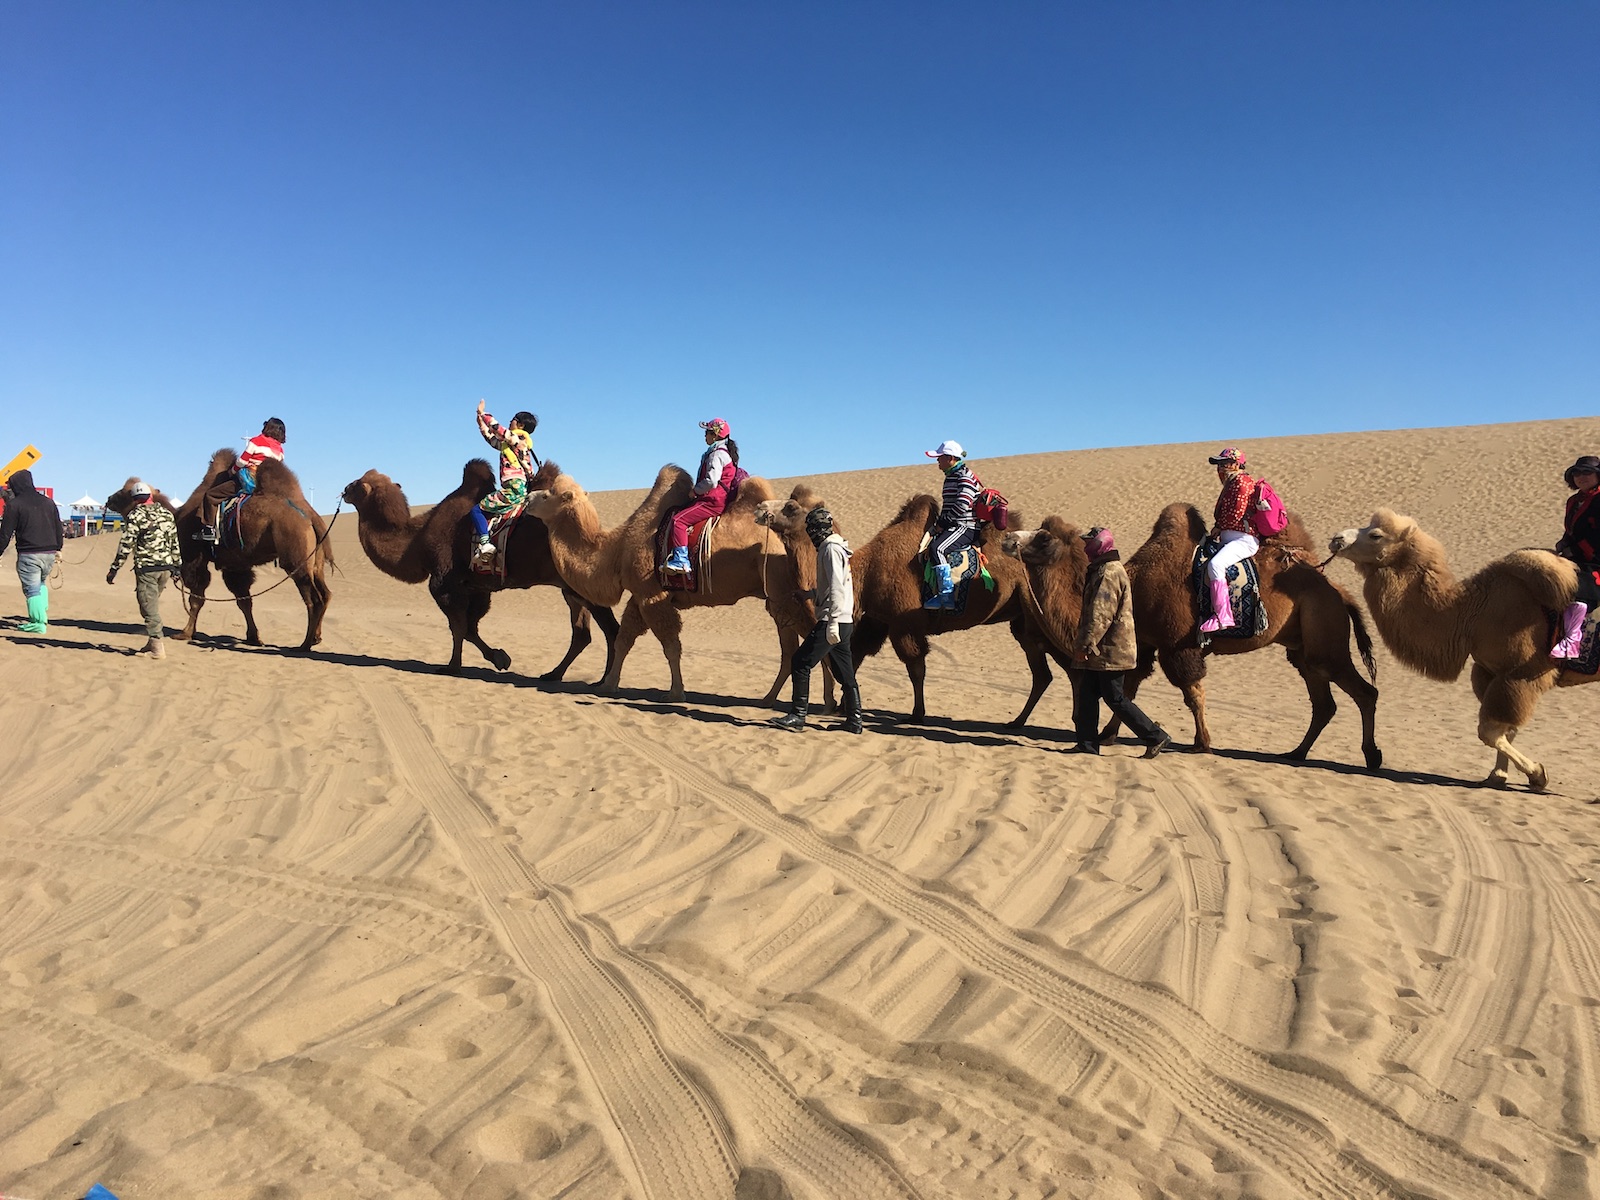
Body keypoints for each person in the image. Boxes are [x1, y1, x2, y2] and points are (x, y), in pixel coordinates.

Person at [1071, 526, 1171, 757]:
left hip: (1110, 650)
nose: (1085, 548)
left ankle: (1155, 736)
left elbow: (1101, 613)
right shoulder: (1100, 569)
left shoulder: (1109, 573)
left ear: (1099, 546)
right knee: (1087, 696)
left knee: (1115, 698)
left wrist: (1086, 645)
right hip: (1102, 650)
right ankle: (1086, 745)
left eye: (1089, 544)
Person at [771, 507, 863, 733]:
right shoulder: (836, 546)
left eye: (811, 529)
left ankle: (798, 714)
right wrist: (810, 595)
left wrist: (830, 623)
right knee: (844, 673)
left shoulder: (830, 549)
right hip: (843, 620)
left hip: (833, 620)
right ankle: (855, 721)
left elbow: (837, 589)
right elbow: (834, 586)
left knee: (801, 662)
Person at [106, 482, 183, 658]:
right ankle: (151, 642)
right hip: (166, 567)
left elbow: (126, 544)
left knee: (149, 607)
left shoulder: (135, 515)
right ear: (150, 496)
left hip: (147, 568)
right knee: (150, 604)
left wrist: (114, 569)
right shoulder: (166, 514)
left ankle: (157, 646)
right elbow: (174, 542)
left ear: (134, 500)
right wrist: (177, 567)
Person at [664, 418, 741, 574]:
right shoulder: (722, 453)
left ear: (715, 435)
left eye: (707, 432)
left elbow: (712, 481)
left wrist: (695, 491)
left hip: (712, 501)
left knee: (678, 521)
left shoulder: (717, 455)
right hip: (716, 499)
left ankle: (681, 560)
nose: (704, 436)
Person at [470, 400, 539, 568]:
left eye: (514, 419)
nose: (510, 421)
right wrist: (480, 424)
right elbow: (492, 439)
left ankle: (485, 544)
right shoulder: (512, 445)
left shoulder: (517, 439)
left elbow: (497, 429)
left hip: (513, 488)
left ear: (520, 425)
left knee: (476, 510)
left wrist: (483, 414)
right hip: (517, 487)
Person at [1199, 446, 1260, 633]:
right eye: (1219, 465)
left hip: (1243, 540)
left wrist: (1219, 526)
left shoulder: (1242, 483)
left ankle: (1222, 616)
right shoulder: (1232, 484)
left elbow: (1236, 514)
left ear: (1236, 464)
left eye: (1224, 464)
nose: (1220, 469)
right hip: (1229, 538)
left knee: (1215, 565)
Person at [0, 469, 65, 633]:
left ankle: (38, 623)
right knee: (40, 583)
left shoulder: (14, 505)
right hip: (49, 553)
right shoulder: (48, 502)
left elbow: (5, 534)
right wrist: (58, 548)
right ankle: (42, 615)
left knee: (31, 588)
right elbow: (58, 527)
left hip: (29, 553)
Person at [202, 417, 286, 542]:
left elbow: (242, 461)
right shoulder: (280, 450)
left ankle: (209, 529)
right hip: (267, 486)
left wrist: (232, 471)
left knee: (211, 495)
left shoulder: (256, 441)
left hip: (249, 481)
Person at [923, 439, 981, 609]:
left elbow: (962, 505)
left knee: (937, 549)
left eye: (940, 457)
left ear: (950, 458)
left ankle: (946, 596)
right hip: (954, 525)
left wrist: (942, 523)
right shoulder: (951, 476)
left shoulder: (964, 476)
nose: (937, 460)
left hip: (965, 526)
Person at [1553, 454, 1600, 660]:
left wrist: (1578, 548)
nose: (1581, 477)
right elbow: (1572, 530)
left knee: (1578, 589)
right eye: (1577, 473)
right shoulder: (1574, 501)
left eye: (1587, 472)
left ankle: (1573, 641)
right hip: (1575, 558)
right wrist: (1564, 543)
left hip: (1596, 560)